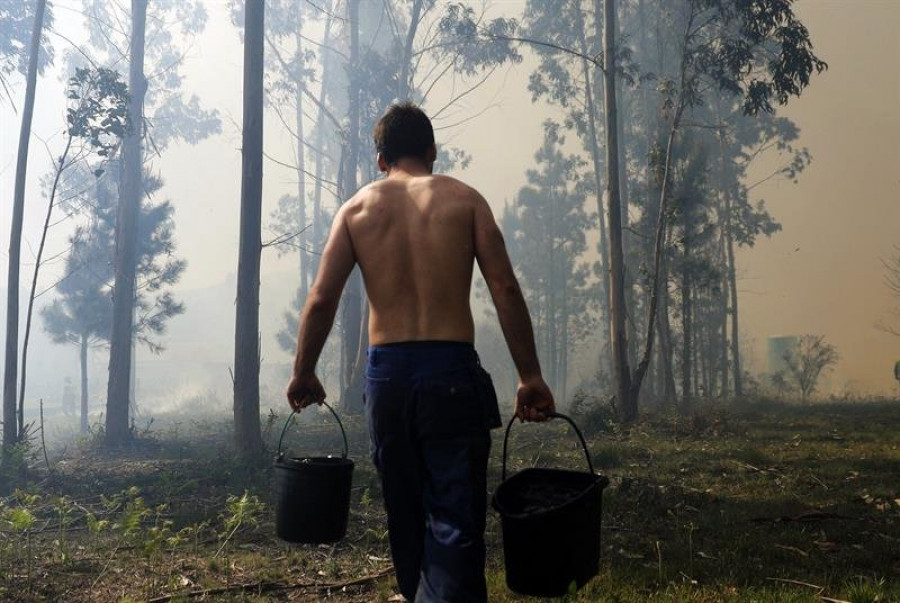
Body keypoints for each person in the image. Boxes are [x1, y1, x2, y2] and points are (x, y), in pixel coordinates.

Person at [286, 103, 555, 603]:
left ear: (382, 158)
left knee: (404, 509)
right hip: (450, 370)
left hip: (387, 377)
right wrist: (530, 375)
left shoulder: (356, 209)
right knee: (455, 515)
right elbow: (506, 289)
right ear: (432, 152)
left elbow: (322, 299)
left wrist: (304, 372)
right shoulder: (464, 200)